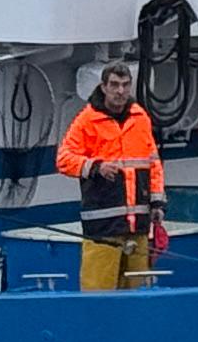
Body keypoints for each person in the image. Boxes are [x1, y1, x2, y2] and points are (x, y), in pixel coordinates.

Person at [54, 59, 165, 290]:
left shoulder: (139, 118)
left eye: (125, 85)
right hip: (102, 227)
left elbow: (153, 164)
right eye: (114, 85)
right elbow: (64, 160)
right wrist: (95, 166)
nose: (120, 91)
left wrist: (157, 203)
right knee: (98, 295)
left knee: (137, 295)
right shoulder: (88, 120)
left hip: (138, 226)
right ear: (103, 87)